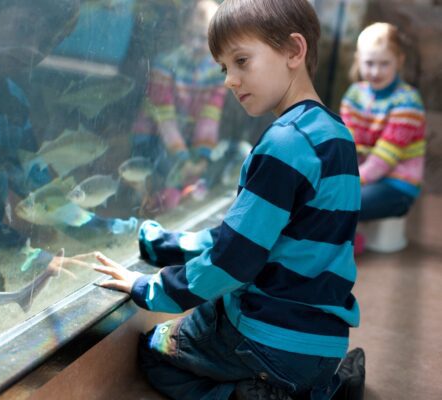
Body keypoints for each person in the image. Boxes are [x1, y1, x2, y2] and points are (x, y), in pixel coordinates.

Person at [92, 0, 364, 399]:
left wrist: (149, 287)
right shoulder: (336, 134)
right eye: (224, 68)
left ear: (294, 50)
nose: (230, 81)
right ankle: (325, 387)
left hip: (265, 338)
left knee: (155, 351)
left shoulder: (283, 144)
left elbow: (232, 260)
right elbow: (253, 234)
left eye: (241, 61)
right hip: (324, 345)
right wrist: (169, 246)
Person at [0, 0, 136, 244]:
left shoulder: (16, 97)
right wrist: (24, 244)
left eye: (46, 43)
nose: (33, 49)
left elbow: (34, 181)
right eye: (23, 28)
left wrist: (98, 227)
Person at [130, 0, 227, 213]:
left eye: (203, 38)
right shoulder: (164, 65)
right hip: (153, 136)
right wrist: (184, 159)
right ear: (182, 31)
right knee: (157, 172)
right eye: (190, 35)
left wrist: (201, 156)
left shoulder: (218, 74)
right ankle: (157, 200)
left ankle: (176, 195)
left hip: (184, 138)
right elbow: (165, 120)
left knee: (193, 171)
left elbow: (209, 119)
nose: (195, 43)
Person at [339, 22, 426, 250]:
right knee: (327, 195)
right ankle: (333, 242)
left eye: (384, 64)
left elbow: (385, 158)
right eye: (369, 63)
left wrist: (348, 183)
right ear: (359, 60)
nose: (376, 71)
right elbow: (346, 142)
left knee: (344, 202)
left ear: (399, 60)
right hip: (363, 178)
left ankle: (345, 246)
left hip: (397, 185)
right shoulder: (354, 95)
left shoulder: (408, 101)